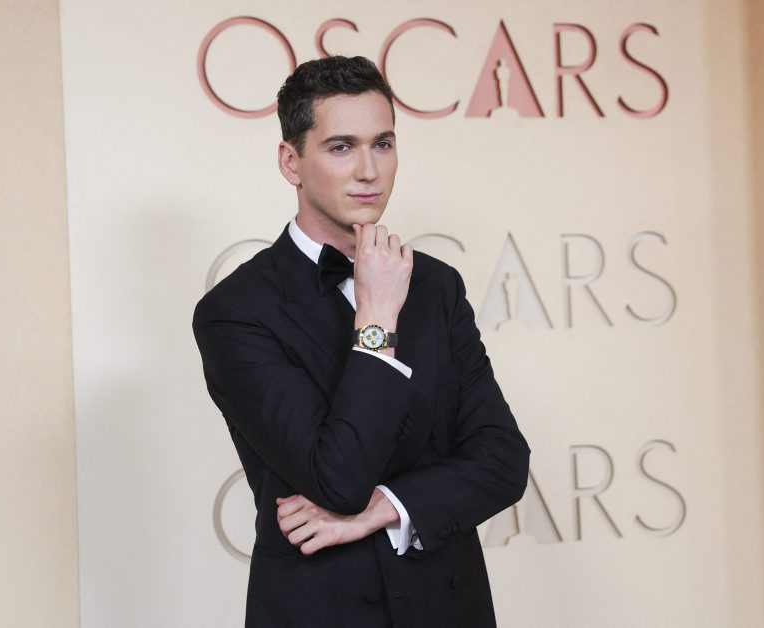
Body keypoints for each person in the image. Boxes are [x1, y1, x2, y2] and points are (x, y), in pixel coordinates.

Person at [192, 55, 530, 627]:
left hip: (449, 607)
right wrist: (377, 314)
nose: (369, 171)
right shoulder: (236, 312)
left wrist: (384, 510)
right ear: (291, 161)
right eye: (341, 147)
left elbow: (503, 461)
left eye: (383, 144)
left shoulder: (437, 286)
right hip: (318, 610)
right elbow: (338, 480)